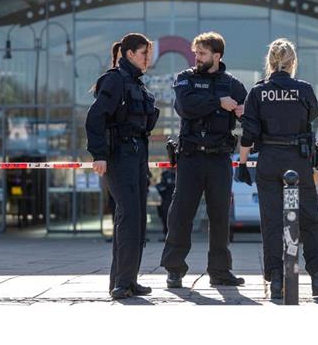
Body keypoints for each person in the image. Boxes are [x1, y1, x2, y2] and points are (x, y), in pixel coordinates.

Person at [238, 38, 318, 300]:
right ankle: (317, 278)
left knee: (271, 221)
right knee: (309, 218)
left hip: (269, 159)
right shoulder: (304, 89)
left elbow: (248, 133)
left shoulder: (258, 92)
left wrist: (243, 164)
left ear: (270, 62)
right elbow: (312, 118)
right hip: (297, 159)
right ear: (293, 62)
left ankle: (276, 280)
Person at [160, 32, 248, 288]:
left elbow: (249, 116)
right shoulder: (185, 78)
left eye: (202, 53)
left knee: (220, 216)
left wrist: (243, 112)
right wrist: (219, 102)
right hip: (190, 157)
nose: (196, 58)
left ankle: (220, 271)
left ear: (217, 55)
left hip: (219, 158)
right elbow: (186, 107)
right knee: (181, 214)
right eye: (196, 53)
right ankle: (174, 270)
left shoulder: (233, 85)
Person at [86, 33, 160, 300]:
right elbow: (95, 117)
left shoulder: (136, 83)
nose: (148, 58)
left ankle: (127, 279)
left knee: (136, 219)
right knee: (129, 216)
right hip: (119, 156)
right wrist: (99, 155)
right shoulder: (115, 80)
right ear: (129, 54)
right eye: (143, 53)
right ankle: (122, 283)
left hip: (137, 156)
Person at [155, 169, 176, 240]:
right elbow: (160, 187)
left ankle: (173, 236)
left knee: (174, 218)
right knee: (165, 217)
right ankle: (167, 235)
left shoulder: (179, 174)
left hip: (174, 200)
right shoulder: (165, 175)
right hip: (166, 200)